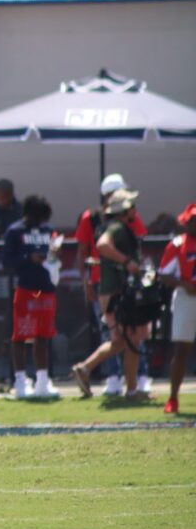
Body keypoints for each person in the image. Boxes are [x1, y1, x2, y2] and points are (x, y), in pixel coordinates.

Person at [75, 173, 152, 395]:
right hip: (115, 290)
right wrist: (127, 262)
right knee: (130, 338)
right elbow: (99, 246)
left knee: (124, 339)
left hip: (112, 288)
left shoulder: (117, 224)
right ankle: (125, 384)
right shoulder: (112, 225)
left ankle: (89, 370)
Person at [3, 195, 61, 399]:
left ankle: (42, 381)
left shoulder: (47, 230)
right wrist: (29, 258)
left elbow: (54, 253)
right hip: (27, 289)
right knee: (20, 335)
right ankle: (20, 381)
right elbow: (7, 261)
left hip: (46, 289)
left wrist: (53, 256)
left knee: (43, 336)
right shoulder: (15, 231)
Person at [158, 203, 196, 414]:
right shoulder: (177, 244)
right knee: (181, 349)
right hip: (186, 298)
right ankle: (173, 397)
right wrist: (184, 284)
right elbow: (163, 273)